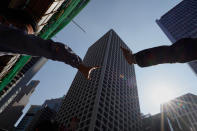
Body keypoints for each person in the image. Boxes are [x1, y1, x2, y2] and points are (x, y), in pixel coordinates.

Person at [0, 8, 99, 80]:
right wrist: (80, 66)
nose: (26, 35)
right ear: (17, 23)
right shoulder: (14, 36)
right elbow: (49, 48)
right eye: (25, 31)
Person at [120, 38, 197, 67]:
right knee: (171, 53)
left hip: (183, 50)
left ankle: (133, 58)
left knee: (172, 53)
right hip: (183, 50)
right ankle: (133, 58)